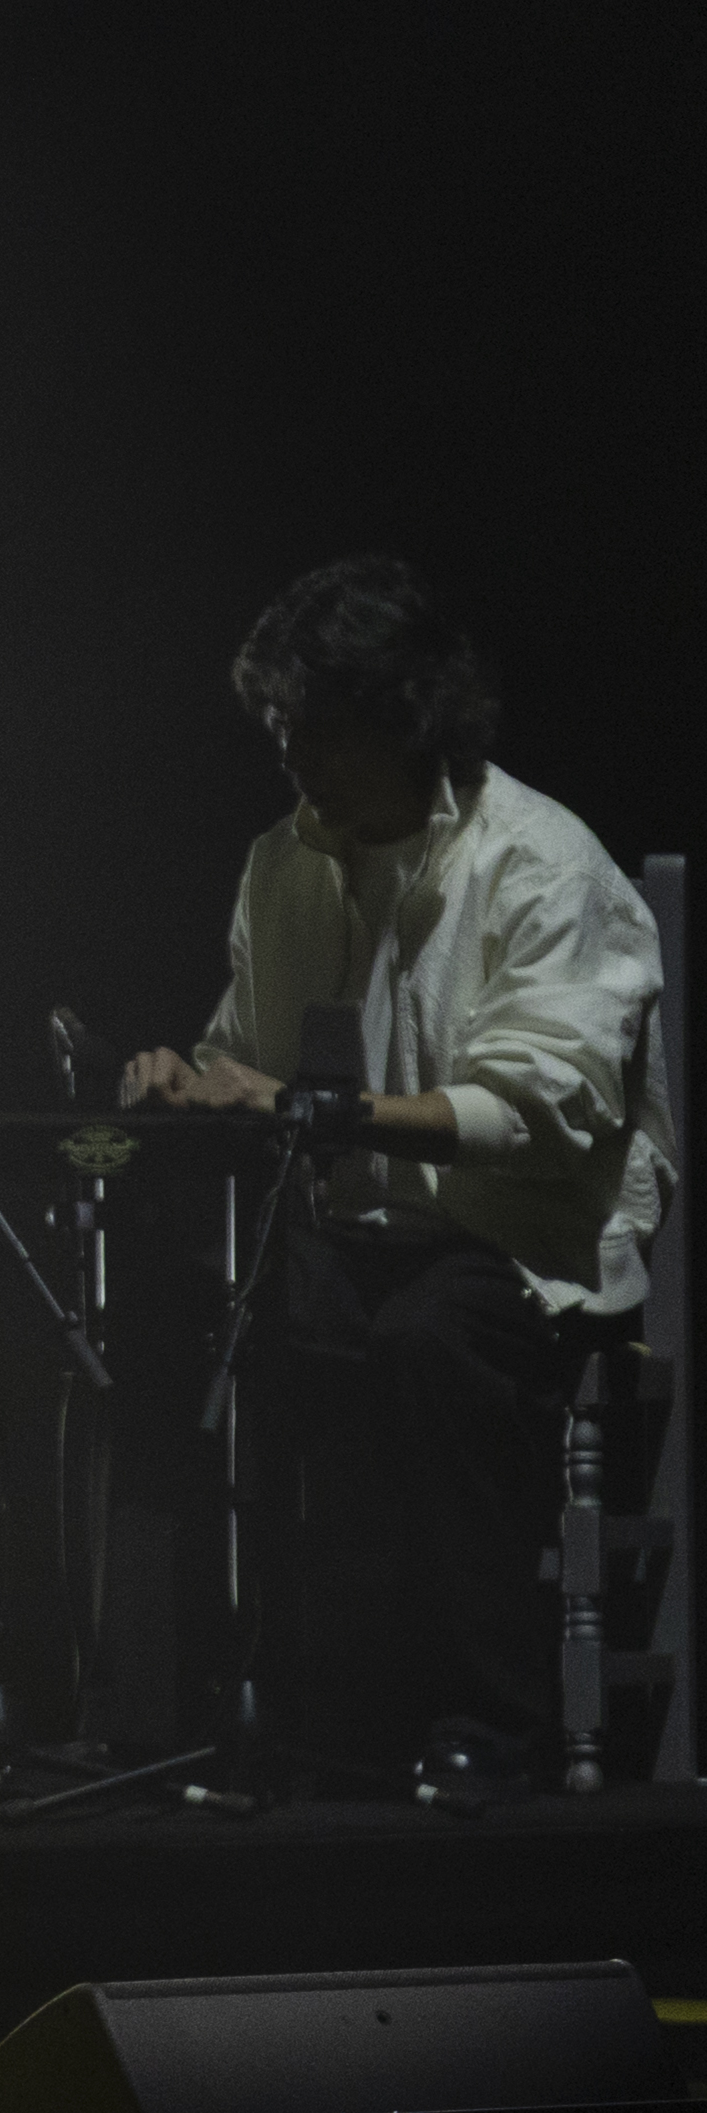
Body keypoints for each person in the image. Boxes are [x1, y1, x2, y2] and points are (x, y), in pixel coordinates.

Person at [120, 554, 674, 1780]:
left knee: (426, 1342)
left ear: (403, 718)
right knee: (225, 1328)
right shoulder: (286, 863)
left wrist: (319, 1106)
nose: (289, 754)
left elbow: (541, 1114)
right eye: (278, 726)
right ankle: (289, 1705)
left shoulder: (538, 864)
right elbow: (244, 1055)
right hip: (359, 1237)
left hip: (519, 1247)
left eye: (311, 726)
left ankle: (492, 1721)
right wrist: (184, 1079)